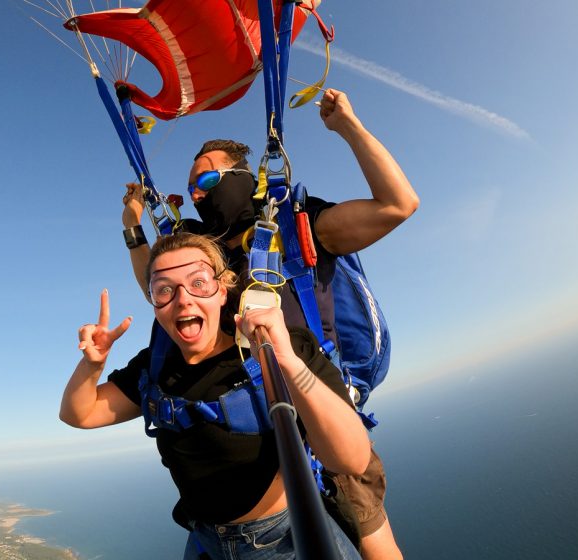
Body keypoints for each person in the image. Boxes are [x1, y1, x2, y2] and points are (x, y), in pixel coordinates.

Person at [120, 89, 417, 559]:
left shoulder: (297, 228)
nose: (198, 192)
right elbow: (155, 287)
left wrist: (349, 128)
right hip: (250, 423)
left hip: (316, 404)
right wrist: (133, 226)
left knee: (372, 536)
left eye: (209, 178)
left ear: (243, 175)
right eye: (193, 185)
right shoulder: (204, 257)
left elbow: (397, 205)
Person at [61, 233, 370, 559]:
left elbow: (352, 459)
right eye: (164, 289)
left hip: (283, 540)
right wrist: (91, 365)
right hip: (204, 540)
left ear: (222, 290)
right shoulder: (153, 368)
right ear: (155, 305)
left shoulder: (275, 349)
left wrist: (288, 364)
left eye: (198, 282)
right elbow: (79, 413)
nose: (183, 299)